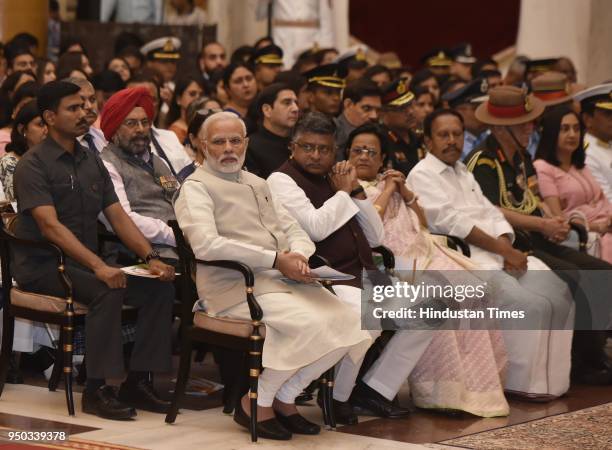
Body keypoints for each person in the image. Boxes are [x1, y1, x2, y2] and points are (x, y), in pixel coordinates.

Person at [173, 111, 371, 440]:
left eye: (235, 140)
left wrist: (301, 258)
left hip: (283, 281)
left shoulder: (257, 183)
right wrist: (276, 259)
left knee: (355, 321)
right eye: (219, 142)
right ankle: (257, 403)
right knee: (306, 324)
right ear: (202, 146)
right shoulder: (195, 187)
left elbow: (293, 229)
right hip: (235, 288)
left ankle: (283, 397)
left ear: (246, 143)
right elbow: (206, 245)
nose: (228, 149)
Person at [12, 81, 176, 419]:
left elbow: (117, 216)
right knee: (106, 289)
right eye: (73, 108)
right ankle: (97, 389)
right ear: (49, 116)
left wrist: (151, 258)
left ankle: (138, 381)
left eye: (85, 106)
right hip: (43, 265)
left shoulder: (90, 159)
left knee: (159, 286)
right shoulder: (33, 165)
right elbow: (50, 227)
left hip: (84, 263)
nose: (84, 113)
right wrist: (99, 266)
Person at [268, 112, 433, 423]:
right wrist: (343, 192)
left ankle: (375, 389)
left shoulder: (338, 177)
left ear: (335, 150)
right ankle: (334, 394)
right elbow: (316, 229)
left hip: (366, 272)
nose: (316, 156)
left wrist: (355, 188)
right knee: (366, 320)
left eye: (324, 149)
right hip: (325, 276)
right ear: (292, 147)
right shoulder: (282, 180)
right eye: (308, 147)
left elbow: (375, 235)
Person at [409, 109, 574, 398]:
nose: (452, 141)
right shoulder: (422, 174)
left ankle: (553, 384)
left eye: (457, 134)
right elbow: (454, 223)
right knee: (529, 305)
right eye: (443, 135)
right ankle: (519, 383)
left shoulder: (462, 171)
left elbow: (490, 212)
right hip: (467, 261)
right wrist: (503, 251)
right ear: (428, 140)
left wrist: (507, 250)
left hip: (501, 253)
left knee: (560, 293)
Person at [347, 122, 509, 416]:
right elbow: (372, 225)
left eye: (372, 151)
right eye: (357, 150)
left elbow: (420, 223)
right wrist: (388, 189)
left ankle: (470, 387)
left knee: (477, 291)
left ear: (382, 158)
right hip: (389, 264)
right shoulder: (346, 186)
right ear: (347, 155)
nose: (364, 156)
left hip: (422, 251)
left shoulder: (389, 182)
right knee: (442, 297)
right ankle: (438, 390)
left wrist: (404, 190)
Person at [467, 86, 612, 384]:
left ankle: (594, 354)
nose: (530, 128)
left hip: (538, 236)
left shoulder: (520, 155)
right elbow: (492, 209)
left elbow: (532, 199)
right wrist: (542, 225)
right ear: (501, 128)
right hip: (512, 243)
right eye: (522, 123)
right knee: (574, 275)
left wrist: (554, 218)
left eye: (530, 122)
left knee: (602, 272)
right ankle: (581, 362)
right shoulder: (483, 160)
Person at [100, 87, 178, 258]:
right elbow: (122, 219)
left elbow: (180, 200)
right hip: (141, 254)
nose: (140, 129)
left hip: (184, 247)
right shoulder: (106, 165)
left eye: (145, 122)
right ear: (114, 130)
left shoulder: (158, 161)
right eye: (131, 123)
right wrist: (176, 235)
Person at [534, 106, 612, 263]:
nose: (572, 135)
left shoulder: (580, 165)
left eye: (577, 129)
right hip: (585, 235)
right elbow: (558, 218)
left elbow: (602, 200)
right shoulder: (543, 167)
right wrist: (599, 227)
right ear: (552, 133)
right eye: (565, 129)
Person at [127, 74, 195, 180]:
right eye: (137, 100)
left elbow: (191, 170)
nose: (145, 106)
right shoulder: (120, 144)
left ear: (158, 102)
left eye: (151, 99)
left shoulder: (169, 136)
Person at [244, 83, 298, 178]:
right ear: (267, 110)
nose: (295, 109)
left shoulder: (300, 142)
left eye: (296, 103)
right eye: (287, 103)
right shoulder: (251, 147)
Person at [0, 100, 47, 202]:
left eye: (49, 124)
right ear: (22, 129)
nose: (47, 130)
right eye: (41, 124)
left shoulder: (54, 155)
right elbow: (17, 204)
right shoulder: (10, 162)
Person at [379, 79, 425, 175]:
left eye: (411, 105)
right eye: (402, 108)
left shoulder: (418, 137)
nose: (411, 112)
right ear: (383, 113)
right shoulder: (380, 141)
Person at [575, 83, 612, 203]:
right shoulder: (586, 153)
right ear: (587, 119)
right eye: (608, 114)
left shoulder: (608, 143)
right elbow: (606, 200)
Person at [442, 77, 489, 159]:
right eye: (476, 108)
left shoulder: (488, 136)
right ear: (459, 112)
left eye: (485, 108)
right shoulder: (450, 145)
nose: (484, 113)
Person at [333, 79, 381, 158]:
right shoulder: (333, 136)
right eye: (366, 108)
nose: (374, 116)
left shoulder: (380, 135)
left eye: (378, 110)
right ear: (348, 104)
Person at [167, 77, 205, 144]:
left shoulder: (204, 124)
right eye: (192, 94)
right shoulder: (175, 132)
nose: (198, 98)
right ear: (178, 99)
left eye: (201, 95)